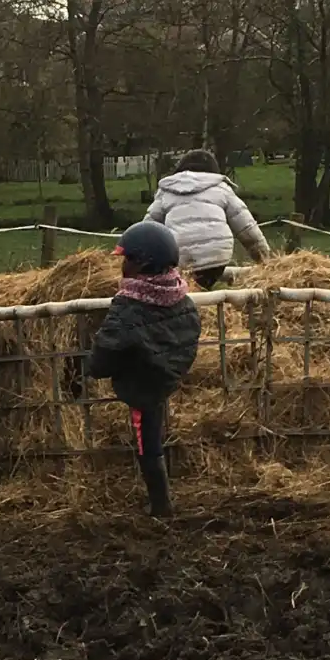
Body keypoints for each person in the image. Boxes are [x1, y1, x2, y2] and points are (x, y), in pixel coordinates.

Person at [84, 222, 201, 517]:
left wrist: (92, 366)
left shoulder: (128, 305)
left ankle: (161, 506)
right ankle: (161, 502)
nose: (123, 266)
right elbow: (186, 338)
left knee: (147, 441)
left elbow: (102, 358)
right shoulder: (182, 298)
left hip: (142, 384)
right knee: (153, 430)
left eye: (128, 259)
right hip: (165, 378)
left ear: (144, 263)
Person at [145, 149, 270, 290]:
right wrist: (266, 261)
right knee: (202, 289)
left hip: (179, 259)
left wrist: (133, 258)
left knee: (185, 291)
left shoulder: (166, 191)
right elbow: (247, 229)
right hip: (216, 258)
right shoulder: (222, 188)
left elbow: (147, 229)